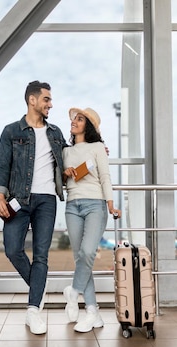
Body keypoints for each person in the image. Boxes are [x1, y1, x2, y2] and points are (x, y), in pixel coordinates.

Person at [0, 81, 67, 335]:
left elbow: (70, 157)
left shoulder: (55, 132)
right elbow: (1, 166)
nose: (50, 104)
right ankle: (39, 286)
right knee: (12, 249)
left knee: (41, 256)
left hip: (47, 199)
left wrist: (95, 146)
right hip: (18, 199)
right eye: (46, 99)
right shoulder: (11, 131)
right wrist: (0, 197)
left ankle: (33, 309)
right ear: (32, 100)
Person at [62, 107, 121, 332]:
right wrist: (64, 173)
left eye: (79, 119)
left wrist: (110, 203)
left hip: (95, 204)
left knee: (88, 253)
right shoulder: (65, 151)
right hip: (72, 206)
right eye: (73, 119)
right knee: (81, 260)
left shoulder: (97, 148)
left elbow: (105, 176)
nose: (74, 122)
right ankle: (92, 312)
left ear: (88, 125)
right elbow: (58, 176)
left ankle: (74, 292)